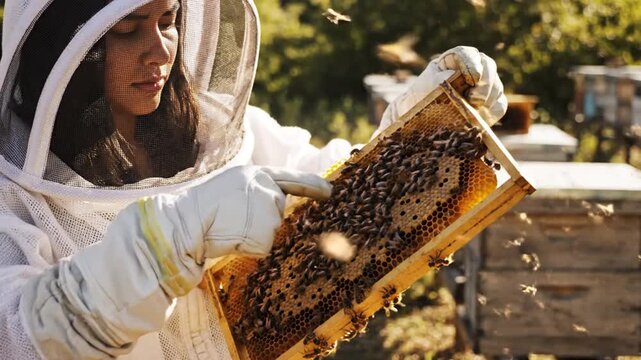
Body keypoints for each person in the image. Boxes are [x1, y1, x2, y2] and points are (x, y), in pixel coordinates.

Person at [0, 0, 507, 359]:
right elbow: (22, 336)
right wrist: (167, 241)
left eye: (168, 20)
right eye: (127, 30)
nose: (159, 52)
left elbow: (342, 193)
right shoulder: (13, 193)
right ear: (64, 45)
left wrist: (418, 128)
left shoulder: (218, 132)